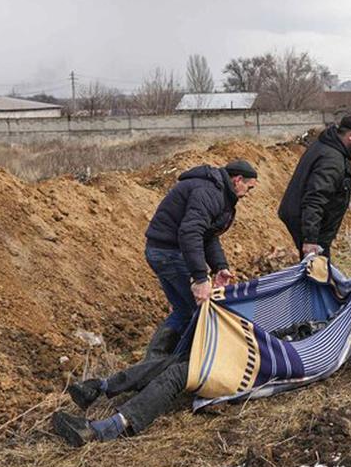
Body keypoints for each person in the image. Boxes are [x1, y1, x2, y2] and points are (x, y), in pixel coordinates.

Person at [51, 159, 259, 446]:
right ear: (236, 180)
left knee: (182, 351)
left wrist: (218, 265)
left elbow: (206, 235)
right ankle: (118, 388)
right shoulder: (209, 192)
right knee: (184, 343)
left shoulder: (216, 192)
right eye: (249, 186)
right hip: (170, 253)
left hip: (239, 358)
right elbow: (191, 232)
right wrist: (201, 277)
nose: (249, 192)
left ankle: (103, 403)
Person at [277, 113, 351, 258]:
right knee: (317, 272)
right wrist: (310, 239)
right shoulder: (332, 160)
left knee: (320, 269)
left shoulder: (328, 146)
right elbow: (315, 198)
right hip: (309, 225)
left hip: (309, 222)